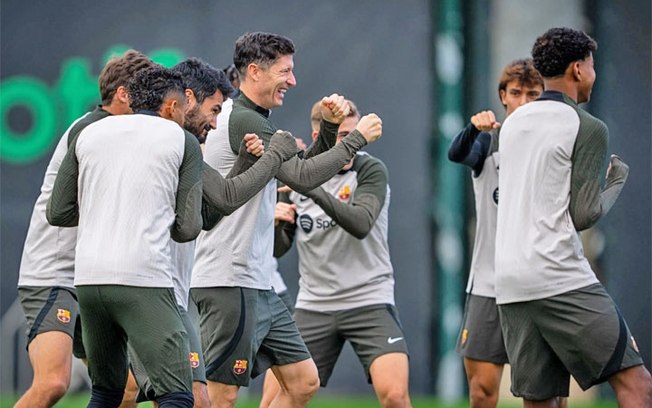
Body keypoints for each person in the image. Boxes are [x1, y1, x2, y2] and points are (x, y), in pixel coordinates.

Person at [190, 31, 383, 408]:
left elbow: (299, 169)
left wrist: (328, 128)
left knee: (303, 382)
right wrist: (355, 138)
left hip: (257, 281)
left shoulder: (251, 116)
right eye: (285, 71)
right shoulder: (244, 118)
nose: (293, 81)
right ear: (254, 72)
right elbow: (305, 177)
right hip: (229, 280)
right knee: (220, 396)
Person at [122, 58, 299, 408]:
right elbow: (211, 211)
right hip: (156, 289)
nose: (217, 122)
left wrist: (247, 163)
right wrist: (276, 155)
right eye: (215, 110)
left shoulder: (120, 137)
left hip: (162, 287)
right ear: (184, 99)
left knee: (146, 393)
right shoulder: (177, 142)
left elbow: (208, 215)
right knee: (159, 393)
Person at [495, 27, 652, 407]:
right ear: (578, 69)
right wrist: (615, 182)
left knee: (540, 401)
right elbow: (583, 214)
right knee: (637, 384)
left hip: (510, 284)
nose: (594, 74)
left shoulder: (514, 123)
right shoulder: (587, 126)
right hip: (558, 275)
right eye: (593, 66)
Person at [46, 65, 203, 408]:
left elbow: (57, 212)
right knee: (177, 396)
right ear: (172, 107)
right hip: (143, 279)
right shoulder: (182, 139)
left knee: (105, 394)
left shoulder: (88, 133)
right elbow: (189, 228)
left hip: (89, 280)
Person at [15, 49, 155, 408]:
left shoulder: (114, 130)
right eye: (147, 93)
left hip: (88, 278)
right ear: (124, 93)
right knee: (52, 384)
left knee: (125, 387)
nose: (153, 103)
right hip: (54, 274)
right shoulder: (94, 131)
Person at [265, 99, 411, 408]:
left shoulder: (370, 169)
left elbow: (360, 224)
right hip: (314, 304)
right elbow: (278, 250)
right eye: (342, 136)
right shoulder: (297, 171)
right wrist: (277, 224)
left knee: (395, 396)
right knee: (273, 398)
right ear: (319, 136)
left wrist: (310, 188)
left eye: (354, 135)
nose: (351, 145)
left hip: (368, 299)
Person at [447, 59, 543, 408]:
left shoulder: (553, 145)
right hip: (489, 285)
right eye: (516, 93)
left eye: (533, 94)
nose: (524, 102)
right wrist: (473, 128)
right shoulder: (489, 142)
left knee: (546, 394)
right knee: (482, 391)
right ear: (503, 96)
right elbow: (456, 152)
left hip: (541, 284)